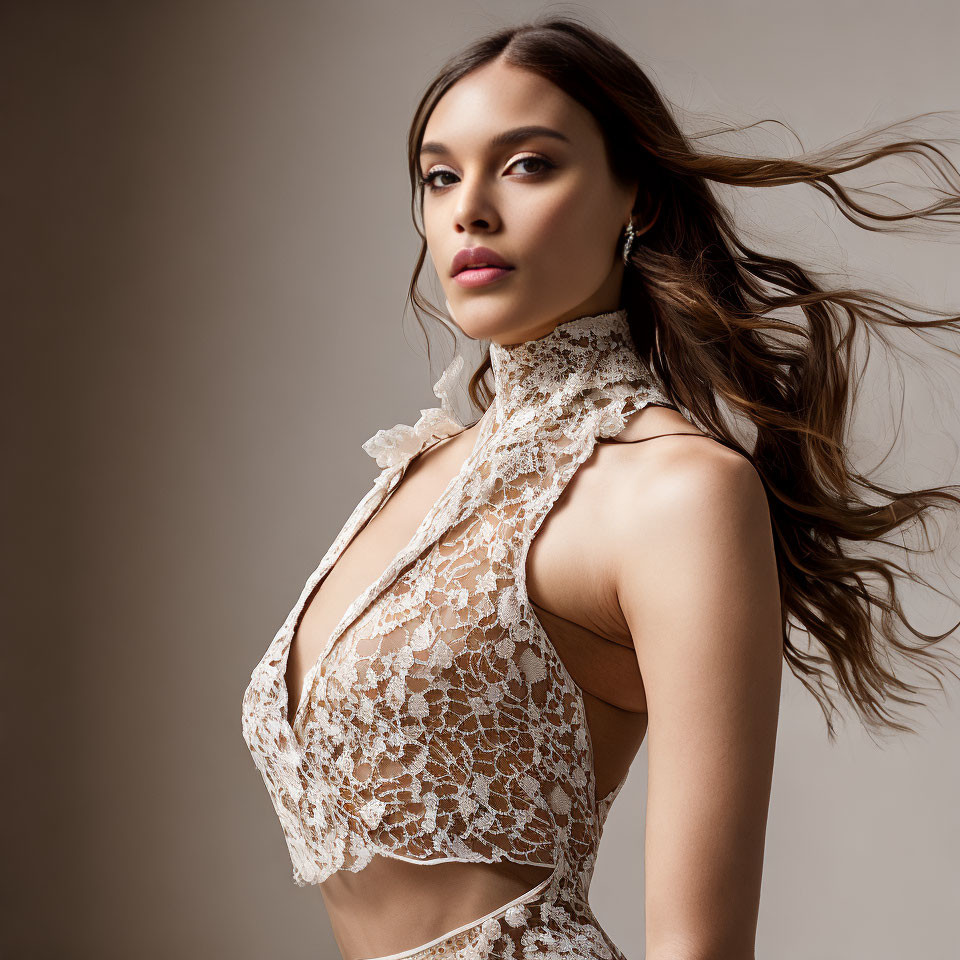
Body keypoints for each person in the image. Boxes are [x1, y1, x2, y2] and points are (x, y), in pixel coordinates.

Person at [242, 16, 960, 960]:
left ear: (640, 200)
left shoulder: (680, 492)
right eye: (441, 175)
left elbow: (701, 948)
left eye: (528, 164)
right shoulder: (423, 467)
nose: (470, 211)